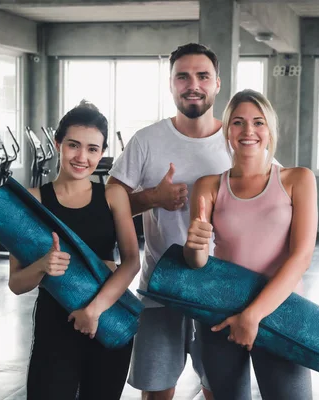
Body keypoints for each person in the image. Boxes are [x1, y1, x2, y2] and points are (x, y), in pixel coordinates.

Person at [106, 43, 227, 400]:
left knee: (219, 388)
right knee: (157, 391)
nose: (193, 84)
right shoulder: (146, 141)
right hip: (160, 287)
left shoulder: (239, 140)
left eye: (203, 76)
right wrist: (152, 198)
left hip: (220, 290)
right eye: (183, 76)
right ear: (171, 84)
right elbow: (108, 205)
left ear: (217, 83)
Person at [183, 89, 318, 400]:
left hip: (280, 309)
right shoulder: (209, 185)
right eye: (238, 122)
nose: (248, 131)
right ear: (227, 130)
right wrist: (194, 246)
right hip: (220, 313)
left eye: (258, 122)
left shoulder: (297, 179)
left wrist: (253, 316)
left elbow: (301, 257)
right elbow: (198, 262)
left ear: (270, 130)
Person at [8, 101, 141, 400]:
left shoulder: (113, 195)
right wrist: (42, 266)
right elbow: (16, 284)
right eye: (73, 145)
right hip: (55, 324)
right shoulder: (31, 201)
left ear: (103, 152)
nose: (82, 157)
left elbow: (132, 261)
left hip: (108, 318)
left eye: (93, 149)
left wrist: (94, 311)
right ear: (58, 144)